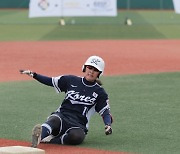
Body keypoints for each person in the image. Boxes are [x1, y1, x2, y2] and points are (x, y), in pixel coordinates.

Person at [20, 55, 113, 148]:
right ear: (85, 68)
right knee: (53, 121)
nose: (91, 71)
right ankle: (39, 137)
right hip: (62, 116)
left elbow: (105, 112)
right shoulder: (71, 80)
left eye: (95, 70)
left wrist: (107, 125)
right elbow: (50, 81)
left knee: (77, 137)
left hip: (78, 124)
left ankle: (51, 140)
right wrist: (34, 75)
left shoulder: (100, 92)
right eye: (90, 67)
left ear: (99, 73)